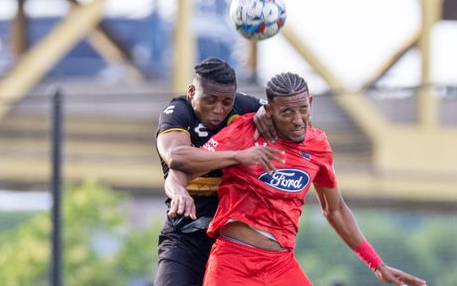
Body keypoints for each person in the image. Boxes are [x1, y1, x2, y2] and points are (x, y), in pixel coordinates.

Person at [167, 72, 427, 286]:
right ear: (269, 110)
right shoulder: (244, 132)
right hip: (234, 262)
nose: (297, 120)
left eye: (303, 109)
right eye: (287, 113)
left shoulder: (318, 145)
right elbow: (181, 168)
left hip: (281, 265)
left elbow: (334, 209)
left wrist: (376, 264)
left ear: (310, 103)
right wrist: (179, 190)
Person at [153, 57, 277, 286]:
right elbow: (176, 157)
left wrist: (267, 112)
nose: (218, 110)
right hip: (186, 233)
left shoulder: (244, 106)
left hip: (234, 238)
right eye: (210, 100)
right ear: (192, 91)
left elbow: (293, 120)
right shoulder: (177, 112)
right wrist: (236, 156)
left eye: (226, 102)